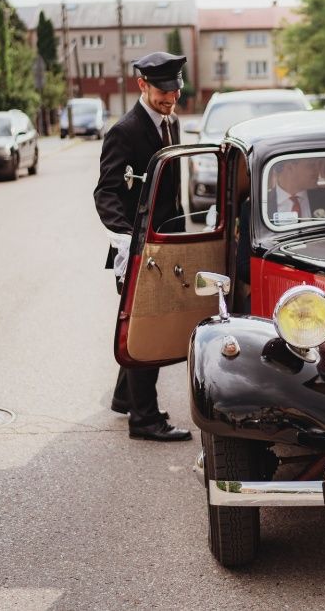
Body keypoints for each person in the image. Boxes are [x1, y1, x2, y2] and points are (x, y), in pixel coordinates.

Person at [93, 51, 191, 442]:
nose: (170, 99)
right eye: (163, 91)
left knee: (140, 325)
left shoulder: (173, 123)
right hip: (138, 249)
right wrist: (124, 239)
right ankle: (145, 419)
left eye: (175, 91)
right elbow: (106, 192)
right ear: (142, 85)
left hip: (167, 243)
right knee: (148, 328)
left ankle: (124, 398)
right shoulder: (126, 130)